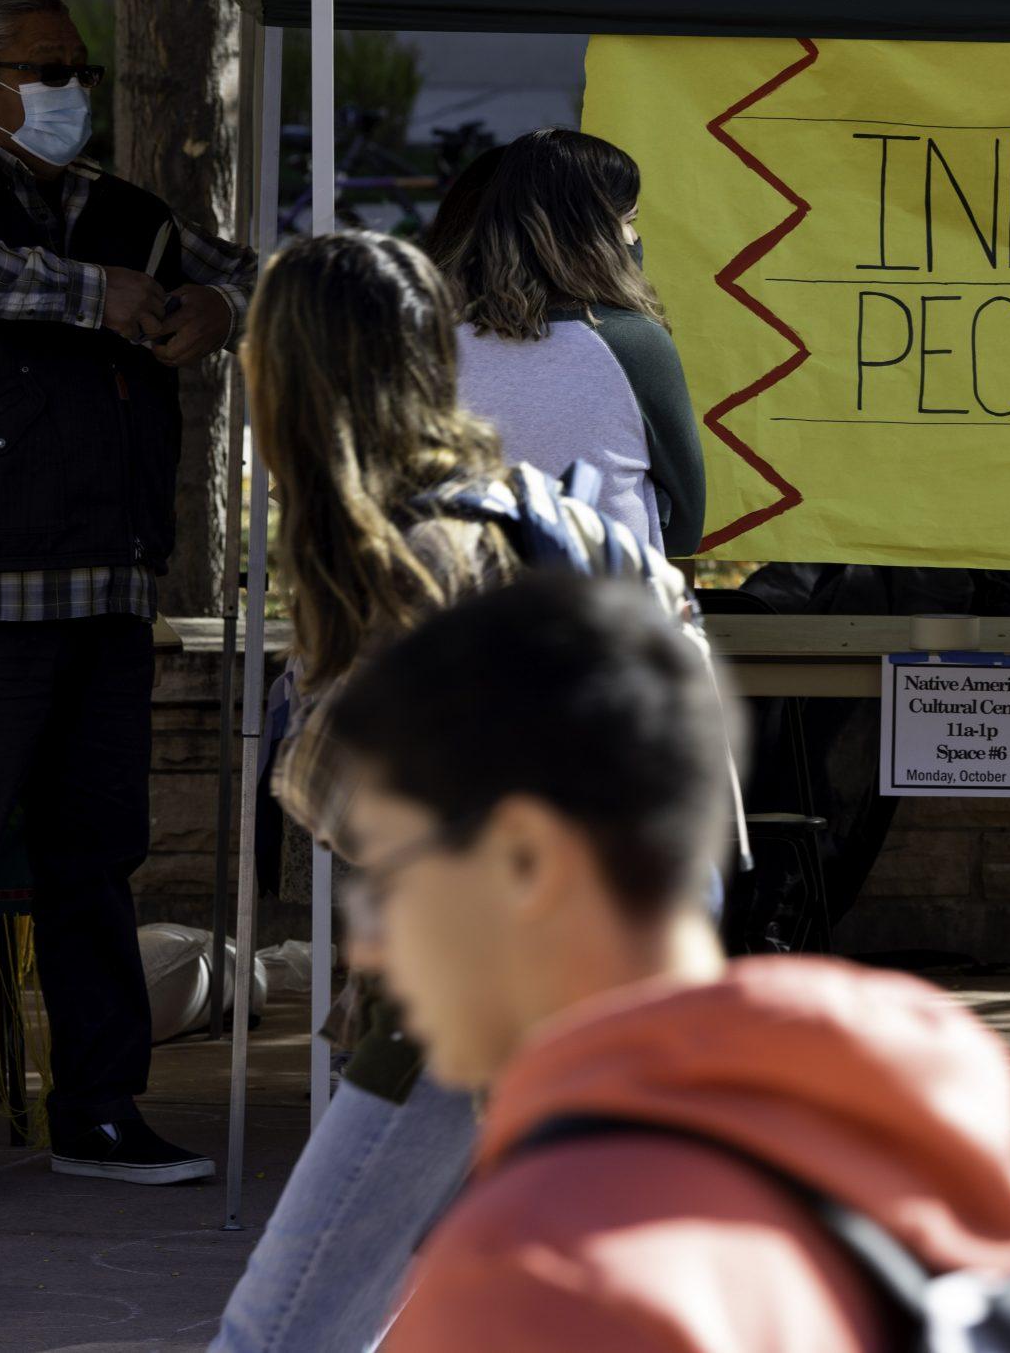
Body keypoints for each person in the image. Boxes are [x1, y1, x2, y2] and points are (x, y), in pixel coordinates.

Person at [325, 574, 1010, 1352]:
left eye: (387, 875)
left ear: (525, 858)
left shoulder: (534, 1270)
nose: (364, 944)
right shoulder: (938, 1114)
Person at [212, 231, 699, 1353]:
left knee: (284, 1328)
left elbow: (349, 791)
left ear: (299, 378)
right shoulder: (508, 505)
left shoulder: (414, 556)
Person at [0, 0, 255, 1202]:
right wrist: (94, 296)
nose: (66, 91)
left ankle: (101, 1110)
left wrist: (215, 310)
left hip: (103, 589)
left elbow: (249, 276)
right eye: (41, 68)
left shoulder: (121, 210)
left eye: (75, 69)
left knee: (97, 860)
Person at [421, 128, 706, 557]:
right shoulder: (633, 345)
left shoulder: (428, 341)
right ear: (591, 236)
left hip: (457, 609)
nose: (633, 238)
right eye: (628, 221)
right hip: (600, 614)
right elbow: (685, 528)